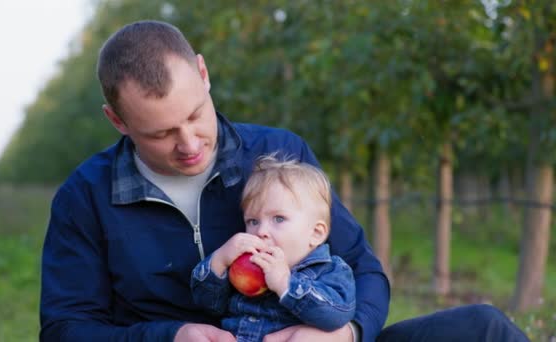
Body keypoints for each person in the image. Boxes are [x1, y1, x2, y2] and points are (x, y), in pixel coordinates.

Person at [39, 19, 530, 342]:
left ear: (204, 74)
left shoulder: (278, 154)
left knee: (484, 328)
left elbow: (362, 266)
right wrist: (170, 335)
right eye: (162, 133)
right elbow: (66, 328)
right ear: (118, 121)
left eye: (195, 114)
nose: (189, 143)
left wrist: (347, 332)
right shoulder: (85, 197)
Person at [190, 155, 357, 341]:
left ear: (315, 233)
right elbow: (208, 305)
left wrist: (285, 284)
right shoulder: (244, 264)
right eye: (253, 221)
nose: (261, 231)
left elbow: (336, 316)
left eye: (278, 219)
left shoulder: (331, 270)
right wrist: (219, 260)